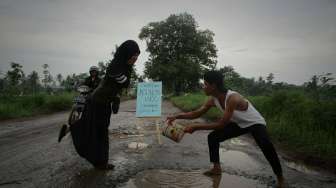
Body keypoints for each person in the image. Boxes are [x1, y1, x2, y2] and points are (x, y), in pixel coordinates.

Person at [166, 70, 285, 187]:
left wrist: (196, 127)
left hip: (254, 122)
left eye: (205, 84)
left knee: (266, 145)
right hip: (238, 123)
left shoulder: (232, 98)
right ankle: (216, 169)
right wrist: (176, 116)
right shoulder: (213, 99)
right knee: (213, 137)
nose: (203, 87)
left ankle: (281, 180)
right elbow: (196, 113)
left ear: (213, 86)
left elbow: (221, 124)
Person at [69, 40, 140, 170]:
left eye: (137, 56)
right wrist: (122, 87)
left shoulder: (125, 67)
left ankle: (102, 162)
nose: (135, 59)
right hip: (96, 102)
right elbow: (123, 82)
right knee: (95, 132)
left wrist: (116, 99)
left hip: (105, 103)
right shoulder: (115, 66)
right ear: (126, 54)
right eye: (133, 55)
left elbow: (119, 87)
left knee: (102, 133)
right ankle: (98, 160)